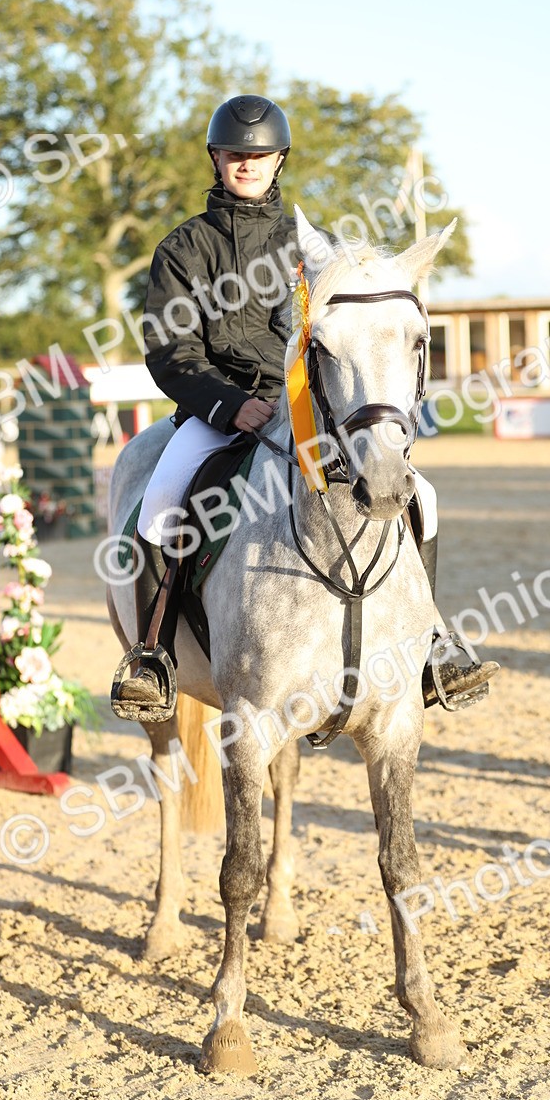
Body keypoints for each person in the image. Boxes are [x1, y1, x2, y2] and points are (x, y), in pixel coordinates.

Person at [114, 94, 498, 717]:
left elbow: (351, 332)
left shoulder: (312, 249)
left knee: (420, 496)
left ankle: (432, 645)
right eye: (236, 154)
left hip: (306, 412)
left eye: (259, 155)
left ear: (278, 160)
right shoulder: (183, 249)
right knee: (160, 506)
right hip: (219, 416)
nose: (247, 164)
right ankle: (154, 657)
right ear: (216, 158)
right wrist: (228, 405)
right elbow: (168, 350)